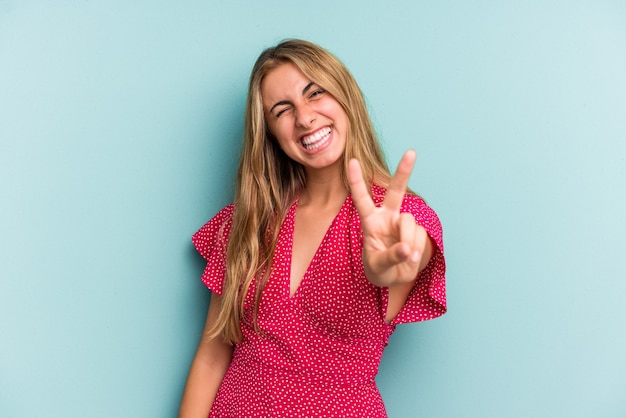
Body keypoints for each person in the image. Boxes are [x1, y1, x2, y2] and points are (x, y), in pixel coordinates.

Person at [178, 39, 446, 418]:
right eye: (282, 110)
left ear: (345, 95)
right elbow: (212, 353)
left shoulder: (400, 220)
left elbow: (400, 259)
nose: (304, 118)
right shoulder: (247, 221)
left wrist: (389, 265)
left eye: (315, 93)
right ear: (270, 134)